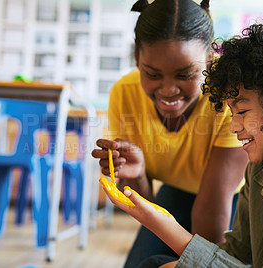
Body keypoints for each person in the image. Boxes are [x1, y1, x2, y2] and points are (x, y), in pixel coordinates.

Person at [101, 19, 263, 267]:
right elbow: (237, 254)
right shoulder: (262, 167)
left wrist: (167, 228)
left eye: (244, 112)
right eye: (232, 113)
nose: (234, 126)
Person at [91, 0, 248, 266]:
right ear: (138, 60)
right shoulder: (124, 93)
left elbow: (211, 209)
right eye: (152, 74)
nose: (168, 90)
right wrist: (137, 174)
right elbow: (142, 204)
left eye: (185, 75)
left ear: (210, 59)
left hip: (231, 202)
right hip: (175, 192)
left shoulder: (230, 96)